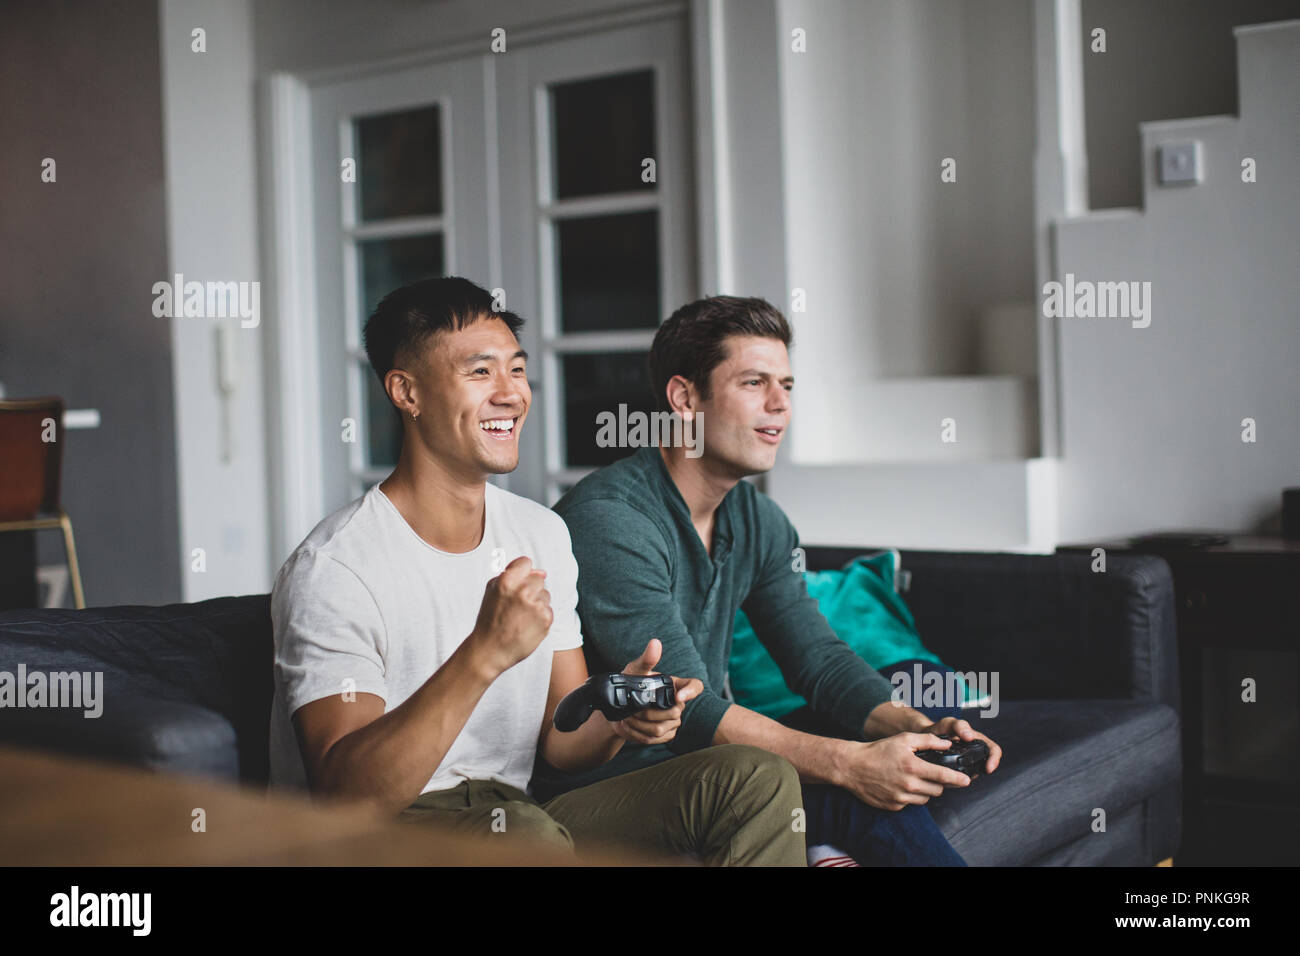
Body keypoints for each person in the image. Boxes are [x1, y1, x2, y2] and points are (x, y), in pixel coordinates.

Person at [268, 277, 807, 866]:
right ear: (407, 391)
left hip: (519, 811)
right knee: (526, 836)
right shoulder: (336, 567)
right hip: (388, 836)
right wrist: (482, 654)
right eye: (480, 372)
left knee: (756, 779)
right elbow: (348, 797)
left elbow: (559, 739)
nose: (511, 394)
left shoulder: (539, 533)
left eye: (517, 370)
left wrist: (617, 717)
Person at [535, 295, 1003, 865]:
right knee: (857, 787)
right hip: (609, 790)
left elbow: (819, 660)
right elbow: (693, 707)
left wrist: (917, 727)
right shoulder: (611, 522)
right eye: (755, 383)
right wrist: (853, 765)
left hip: (708, 768)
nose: (780, 405)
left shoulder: (759, 521)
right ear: (684, 398)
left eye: (787, 385)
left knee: (872, 761)